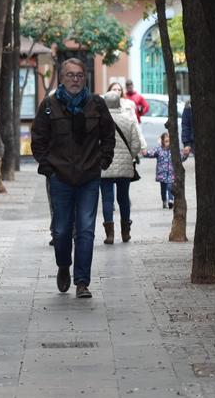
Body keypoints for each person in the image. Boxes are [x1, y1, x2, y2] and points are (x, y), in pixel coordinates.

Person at [31, 58, 115, 298]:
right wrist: (48, 168)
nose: (75, 79)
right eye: (70, 75)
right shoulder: (49, 105)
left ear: (85, 77)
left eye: (79, 75)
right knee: (61, 230)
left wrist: (103, 161)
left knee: (86, 229)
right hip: (60, 178)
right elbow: (38, 140)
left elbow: (108, 136)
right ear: (62, 77)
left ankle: (82, 282)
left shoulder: (96, 104)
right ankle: (63, 266)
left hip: (89, 176)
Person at [100, 90, 145, 245]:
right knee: (123, 199)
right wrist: (129, 156)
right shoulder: (128, 119)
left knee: (107, 199)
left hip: (104, 166)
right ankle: (125, 233)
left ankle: (109, 235)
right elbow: (136, 144)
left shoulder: (100, 121)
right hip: (125, 166)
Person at [143, 132, 188, 209]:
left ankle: (171, 200)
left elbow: (181, 158)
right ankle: (164, 200)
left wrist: (185, 154)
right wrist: (146, 153)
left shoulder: (174, 150)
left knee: (170, 186)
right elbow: (152, 153)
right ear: (162, 142)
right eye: (166, 141)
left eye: (170, 141)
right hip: (162, 173)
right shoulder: (159, 149)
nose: (168, 143)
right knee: (163, 189)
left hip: (171, 173)